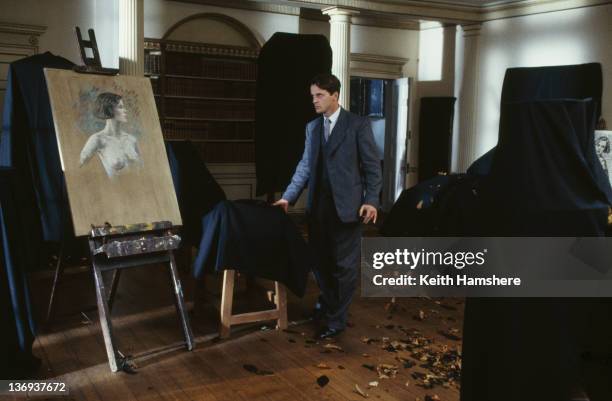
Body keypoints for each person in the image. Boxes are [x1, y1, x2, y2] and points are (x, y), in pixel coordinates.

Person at [274, 73, 382, 339]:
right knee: (320, 263)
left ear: (335, 95)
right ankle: (329, 304)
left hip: (348, 209)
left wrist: (371, 201)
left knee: (344, 267)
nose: (315, 101)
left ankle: (336, 319)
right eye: (313, 96)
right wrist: (288, 196)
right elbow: (304, 167)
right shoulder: (312, 127)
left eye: (319, 95)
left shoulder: (358, 124)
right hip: (318, 210)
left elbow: (372, 168)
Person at [79, 92, 142, 177]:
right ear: (109, 110)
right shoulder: (98, 139)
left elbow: (142, 169)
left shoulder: (132, 139)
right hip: (114, 188)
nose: (125, 110)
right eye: (120, 107)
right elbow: (79, 167)